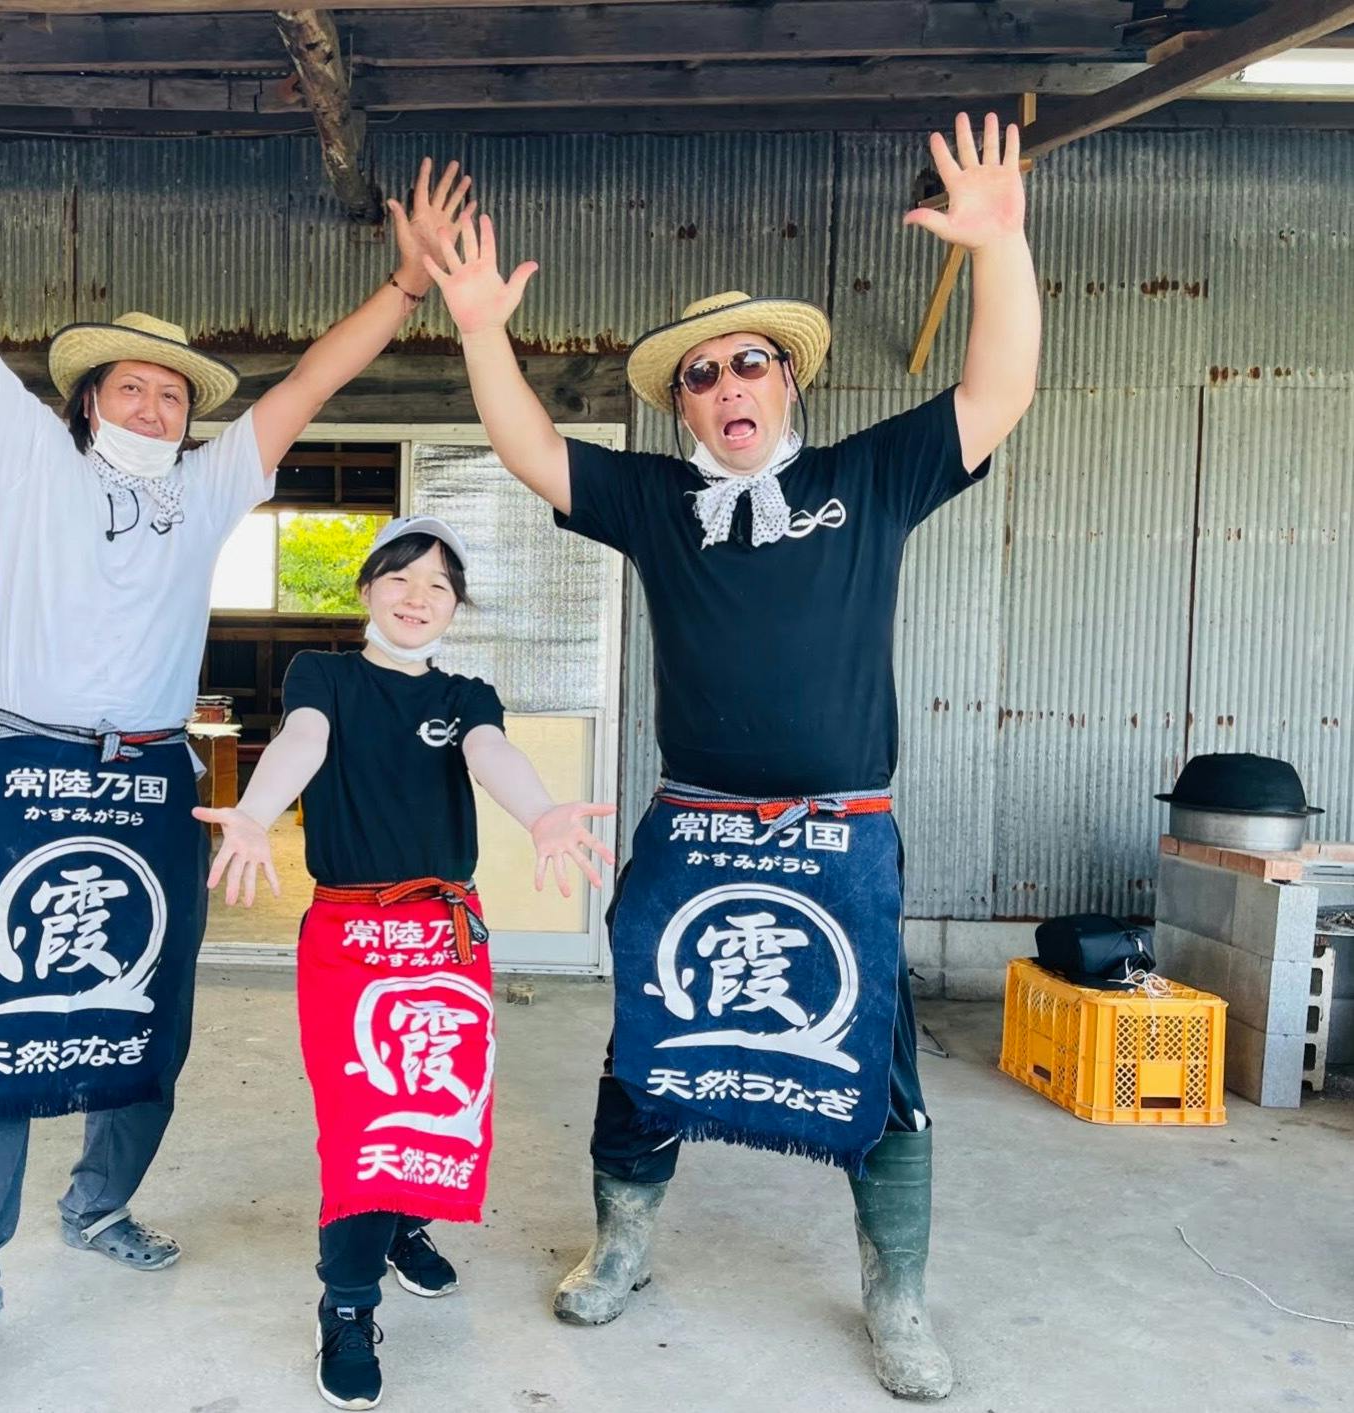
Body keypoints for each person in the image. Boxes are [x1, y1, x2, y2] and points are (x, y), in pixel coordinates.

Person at [0, 35, 480, 1410]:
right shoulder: (27, 455)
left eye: (174, 391)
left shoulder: (209, 491)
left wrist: (405, 287)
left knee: (147, 1020)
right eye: (131, 387)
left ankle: (99, 1203)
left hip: (156, 778)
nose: (155, 401)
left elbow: (308, 387)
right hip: (34, 768)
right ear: (87, 402)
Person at [423, 112, 1040, 1401]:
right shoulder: (660, 503)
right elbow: (532, 451)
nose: (727, 387)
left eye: (748, 363)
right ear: (683, 406)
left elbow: (997, 394)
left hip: (841, 831)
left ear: (788, 378)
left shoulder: (872, 478)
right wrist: (480, 330)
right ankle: (622, 1244)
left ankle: (898, 1297)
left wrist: (998, 247)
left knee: (877, 1058)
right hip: (694, 827)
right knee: (648, 1041)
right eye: (700, 377)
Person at [197, 516, 615, 1411]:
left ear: (455, 607)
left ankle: (403, 1225)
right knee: (363, 1122)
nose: (418, 597)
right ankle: (347, 1303)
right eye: (400, 577)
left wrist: (541, 810)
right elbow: (304, 741)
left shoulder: (466, 695)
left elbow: (490, 753)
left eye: (438, 585)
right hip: (350, 933)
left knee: (436, 1105)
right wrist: (255, 810)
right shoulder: (325, 676)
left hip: (444, 935)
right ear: (366, 590)